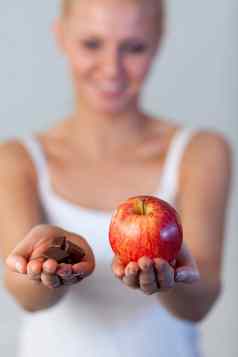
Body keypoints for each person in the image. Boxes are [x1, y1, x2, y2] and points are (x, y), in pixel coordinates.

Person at [0, 0, 232, 356]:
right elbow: (28, 299)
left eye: (134, 47)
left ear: (158, 42)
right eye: (92, 44)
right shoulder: (16, 159)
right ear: (60, 37)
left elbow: (199, 304)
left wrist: (169, 277)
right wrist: (56, 261)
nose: (112, 68)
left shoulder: (201, 152)